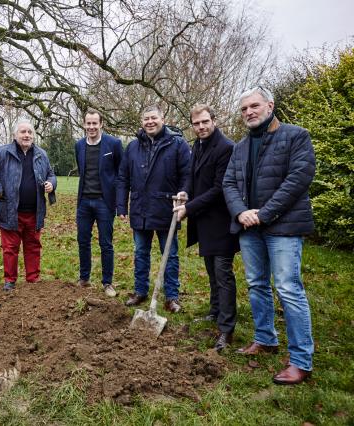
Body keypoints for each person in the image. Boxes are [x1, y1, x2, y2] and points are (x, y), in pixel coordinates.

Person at [223, 86, 315, 385]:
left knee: (288, 288)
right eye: (244, 109)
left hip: (283, 228)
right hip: (249, 228)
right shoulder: (240, 147)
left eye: (254, 106)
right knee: (256, 284)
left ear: (269, 105)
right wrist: (240, 212)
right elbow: (229, 184)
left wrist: (263, 213)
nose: (249, 112)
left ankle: (301, 360)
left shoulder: (296, 136)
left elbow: (298, 180)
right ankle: (265, 339)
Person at [173, 104, 239, 351]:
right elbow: (191, 175)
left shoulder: (226, 148)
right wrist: (185, 191)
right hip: (205, 222)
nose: (201, 127)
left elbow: (219, 188)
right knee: (212, 270)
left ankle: (226, 329)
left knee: (223, 274)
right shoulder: (198, 145)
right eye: (196, 123)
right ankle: (215, 312)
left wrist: (188, 209)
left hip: (221, 222)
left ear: (214, 120)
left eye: (205, 122)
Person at [116, 104, 190, 312]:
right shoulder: (132, 147)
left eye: (153, 118)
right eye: (146, 119)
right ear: (142, 122)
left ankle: (172, 296)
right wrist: (121, 204)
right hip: (140, 208)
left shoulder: (177, 144)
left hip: (167, 208)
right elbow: (123, 177)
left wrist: (184, 195)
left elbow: (187, 175)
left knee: (170, 255)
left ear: (162, 119)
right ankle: (140, 291)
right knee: (140, 252)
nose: (150, 122)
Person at [0, 120, 57, 291]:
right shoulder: (2, 152)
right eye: (23, 132)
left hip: (35, 212)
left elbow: (50, 173)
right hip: (10, 211)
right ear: (15, 135)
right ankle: (10, 282)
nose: (27, 135)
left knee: (33, 246)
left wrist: (51, 183)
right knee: (10, 248)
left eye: (29, 132)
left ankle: (33, 281)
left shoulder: (41, 154)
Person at [75, 109, 123, 297]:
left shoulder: (114, 144)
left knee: (106, 243)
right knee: (83, 241)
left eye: (95, 123)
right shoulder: (79, 145)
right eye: (88, 123)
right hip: (84, 202)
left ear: (101, 124)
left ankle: (107, 282)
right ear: (84, 124)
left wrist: (119, 202)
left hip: (104, 202)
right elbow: (82, 170)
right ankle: (84, 278)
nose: (91, 127)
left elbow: (121, 174)